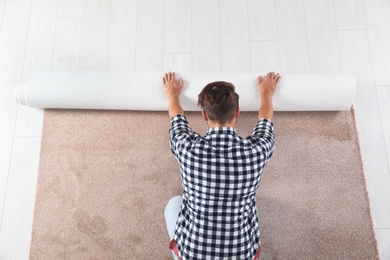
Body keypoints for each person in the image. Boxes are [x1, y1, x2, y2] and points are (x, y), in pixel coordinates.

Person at [163, 72, 281, 260]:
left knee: (173, 204)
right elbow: (265, 123)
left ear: (203, 115)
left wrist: (172, 94)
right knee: (249, 203)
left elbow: (177, 120)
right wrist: (266, 93)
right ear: (237, 113)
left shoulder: (187, 148)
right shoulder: (257, 152)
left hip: (193, 254)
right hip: (240, 255)